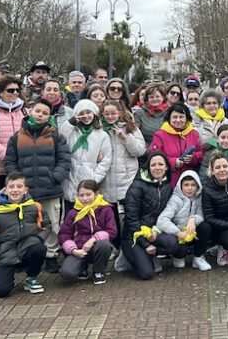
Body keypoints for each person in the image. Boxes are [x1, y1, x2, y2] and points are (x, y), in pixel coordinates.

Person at [4, 99, 72, 273]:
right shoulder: (16, 137)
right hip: (26, 193)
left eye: (45, 113)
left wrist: (55, 177)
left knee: (52, 225)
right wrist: (18, 184)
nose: (41, 115)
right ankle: (26, 255)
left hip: (50, 190)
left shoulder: (55, 136)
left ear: (49, 116)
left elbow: (64, 160)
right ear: (30, 112)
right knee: (25, 225)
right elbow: (10, 162)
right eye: (38, 111)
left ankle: (51, 255)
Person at [0, 173, 49, 297]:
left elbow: (46, 226)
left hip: (27, 248)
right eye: (11, 187)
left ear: (25, 190)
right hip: (6, 254)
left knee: (39, 249)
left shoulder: (34, 207)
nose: (15, 190)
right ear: (5, 190)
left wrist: (38, 239)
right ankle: (9, 278)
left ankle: (31, 277)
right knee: (1, 292)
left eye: (19, 186)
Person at [98, 100, 145, 248]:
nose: (110, 116)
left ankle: (130, 245)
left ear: (119, 112)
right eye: (106, 114)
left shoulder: (130, 127)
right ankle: (115, 246)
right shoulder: (99, 129)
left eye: (113, 113)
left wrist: (125, 138)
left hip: (126, 178)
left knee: (129, 215)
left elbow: (140, 151)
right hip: (107, 179)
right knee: (110, 217)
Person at [120, 152, 173, 280]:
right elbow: (131, 219)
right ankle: (126, 257)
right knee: (147, 273)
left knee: (174, 244)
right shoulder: (137, 186)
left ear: (166, 167)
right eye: (153, 165)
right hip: (134, 236)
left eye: (160, 164)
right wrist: (145, 244)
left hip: (153, 232)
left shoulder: (167, 185)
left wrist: (156, 231)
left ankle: (148, 256)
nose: (157, 168)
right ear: (148, 167)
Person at [58, 179, 116, 284]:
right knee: (67, 274)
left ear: (96, 194)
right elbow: (64, 234)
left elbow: (111, 231)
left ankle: (98, 271)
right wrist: (73, 250)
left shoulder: (106, 209)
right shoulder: (73, 212)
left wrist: (93, 239)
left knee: (105, 245)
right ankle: (82, 268)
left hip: (97, 247)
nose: (85, 198)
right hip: (79, 249)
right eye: (81, 195)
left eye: (88, 194)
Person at [60, 100, 111, 214]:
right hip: (70, 178)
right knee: (70, 214)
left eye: (88, 112)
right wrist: (71, 123)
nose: (86, 116)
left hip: (88, 181)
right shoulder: (72, 131)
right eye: (82, 113)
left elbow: (106, 160)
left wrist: (94, 178)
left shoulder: (102, 135)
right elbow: (61, 137)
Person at [155, 170, 212, 271]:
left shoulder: (199, 197)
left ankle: (198, 257)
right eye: (186, 185)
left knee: (205, 227)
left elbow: (202, 214)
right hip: (179, 235)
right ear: (180, 186)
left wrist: (193, 219)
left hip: (191, 232)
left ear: (198, 186)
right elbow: (162, 220)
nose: (189, 188)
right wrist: (178, 232)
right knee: (181, 255)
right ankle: (178, 256)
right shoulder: (175, 199)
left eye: (193, 185)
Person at [0, 75, 26, 196]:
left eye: (17, 90)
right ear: (0, 92)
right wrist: (9, 156)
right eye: (10, 90)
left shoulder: (25, 112)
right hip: (0, 171)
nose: (15, 93)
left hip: (21, 168)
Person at [150, 104, 202, 187]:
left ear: (187, 118)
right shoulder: (160, 135)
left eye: (181, 117)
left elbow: (201, 153)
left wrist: (193, 158)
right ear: (169, 118)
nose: (178, 120)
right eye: (175, 117)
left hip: (189, 183)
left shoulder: (194, 134)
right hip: (168, 181)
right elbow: (154, 156)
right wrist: (173, 162)